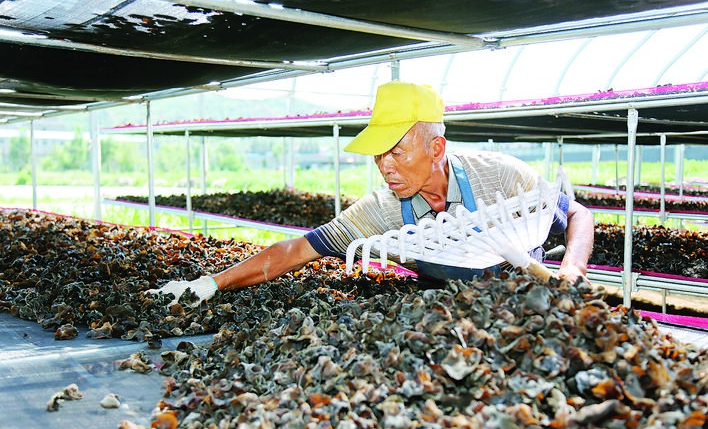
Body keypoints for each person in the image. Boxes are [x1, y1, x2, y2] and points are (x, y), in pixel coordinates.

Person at [150, 81, 594, 305]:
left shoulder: (499, 177)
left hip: (534, 302)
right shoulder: (382, 211)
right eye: (378, 156)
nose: (385, 167)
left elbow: (578, 214)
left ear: (436, 147)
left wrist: (572, 267)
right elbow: (296, 250)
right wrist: (209, 283)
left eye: (397, 153)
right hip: (452, 320)